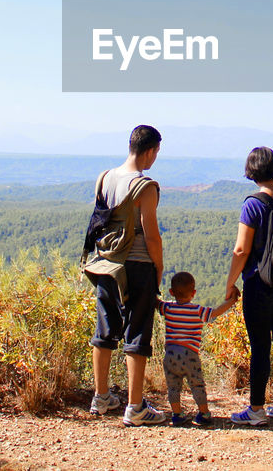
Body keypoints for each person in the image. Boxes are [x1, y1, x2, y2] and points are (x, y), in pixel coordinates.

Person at [82, 124, 168, 426]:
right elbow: (151, 234)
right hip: (137, 265)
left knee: (104, 328)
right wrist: (158, 267)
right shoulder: (146, 186)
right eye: (157, 152)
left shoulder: (104, 178)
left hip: (106, 263)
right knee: (137, 331)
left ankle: (101, 397)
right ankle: (135, 407)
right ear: (151, 150)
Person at [224, 146, 273, 425]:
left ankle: (256, 409)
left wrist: (230, 283)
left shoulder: (253, 204)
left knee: (260, 346)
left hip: (259, 283)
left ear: (251, 170)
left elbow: (241, 250)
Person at [158, 271, 239, 426]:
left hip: (170, 354)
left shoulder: (167, 308)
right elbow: (215, 312)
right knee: (197, 385)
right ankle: (204, 413)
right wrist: (231, 301)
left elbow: (156, 303)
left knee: (173, 387)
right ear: (194, 293)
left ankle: (177, 414)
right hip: (190, 355)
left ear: (171, 292)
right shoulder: (198, 311)